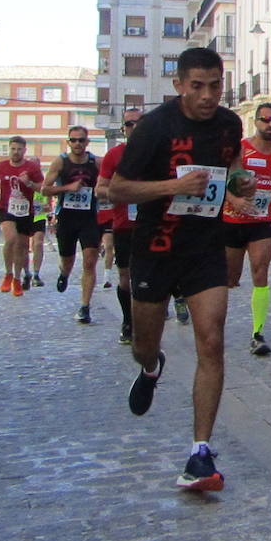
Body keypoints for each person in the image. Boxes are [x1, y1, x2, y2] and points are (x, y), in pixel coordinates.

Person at [108, 47, 252, 492]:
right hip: (156, 247)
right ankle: (152, 368)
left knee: (212, 341)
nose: (208, 96)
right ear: (179, 85)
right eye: (197, 87)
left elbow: (232, 164)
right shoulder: (154, 128)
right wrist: (175, 185)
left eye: (215, 86)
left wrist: (239, 181)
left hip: (204, 248)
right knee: (143, 345)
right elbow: (117, 189)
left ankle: (200, 453)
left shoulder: (229, 123)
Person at [221, 103, 271, 357]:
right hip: (232, 222)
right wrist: (234, 200)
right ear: (256, 122)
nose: (270, 125)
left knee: (260, 273)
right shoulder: (240, 149)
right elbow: (221, 178)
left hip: (260, 223)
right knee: (230, 279)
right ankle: (211, 323)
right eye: (265, 120)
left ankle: (258, 333)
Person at [43, 125, 102, 324]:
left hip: (89, 218)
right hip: (67, 217)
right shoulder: (61, 162)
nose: (77, 143)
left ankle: (85, 306)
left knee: (90, 261)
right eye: (74, 140)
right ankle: (64, 273)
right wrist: (68, 187)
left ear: (87, 142)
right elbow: (45, 189)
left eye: (81, 140)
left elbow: (109, 181)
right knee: (67, 259)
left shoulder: (96, 162)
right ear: (68, 142)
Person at [95, 107, 142, 345]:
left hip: (152, 224)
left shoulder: (157, 151)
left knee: (150, 275)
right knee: (125, 276)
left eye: (138, 123)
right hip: (124, 224)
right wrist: (121, 190)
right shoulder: (114, 155)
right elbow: (100, 189)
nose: (134, 127)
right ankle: (128, 322)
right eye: (129, 124)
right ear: (123, 129)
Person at [0, 137, 43, 297]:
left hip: (25, 211)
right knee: (11, 239)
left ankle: (17, 279)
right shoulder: (1, 166)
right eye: (13, 149)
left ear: (24, 150)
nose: (15, 152)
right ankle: (8, 273)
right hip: (5, 208)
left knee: (21, 246)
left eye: (19, 149)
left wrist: (29, 183)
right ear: (9, 149)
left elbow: (42, 188)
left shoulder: (32, 167)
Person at [28, 193, 50, 287]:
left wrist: (47, 206)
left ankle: (36, 274)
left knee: (38, 243)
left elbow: (48, 199)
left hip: (39, 217)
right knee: (22, 245)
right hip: (23, 217)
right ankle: (25, 272)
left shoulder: (41, 186)